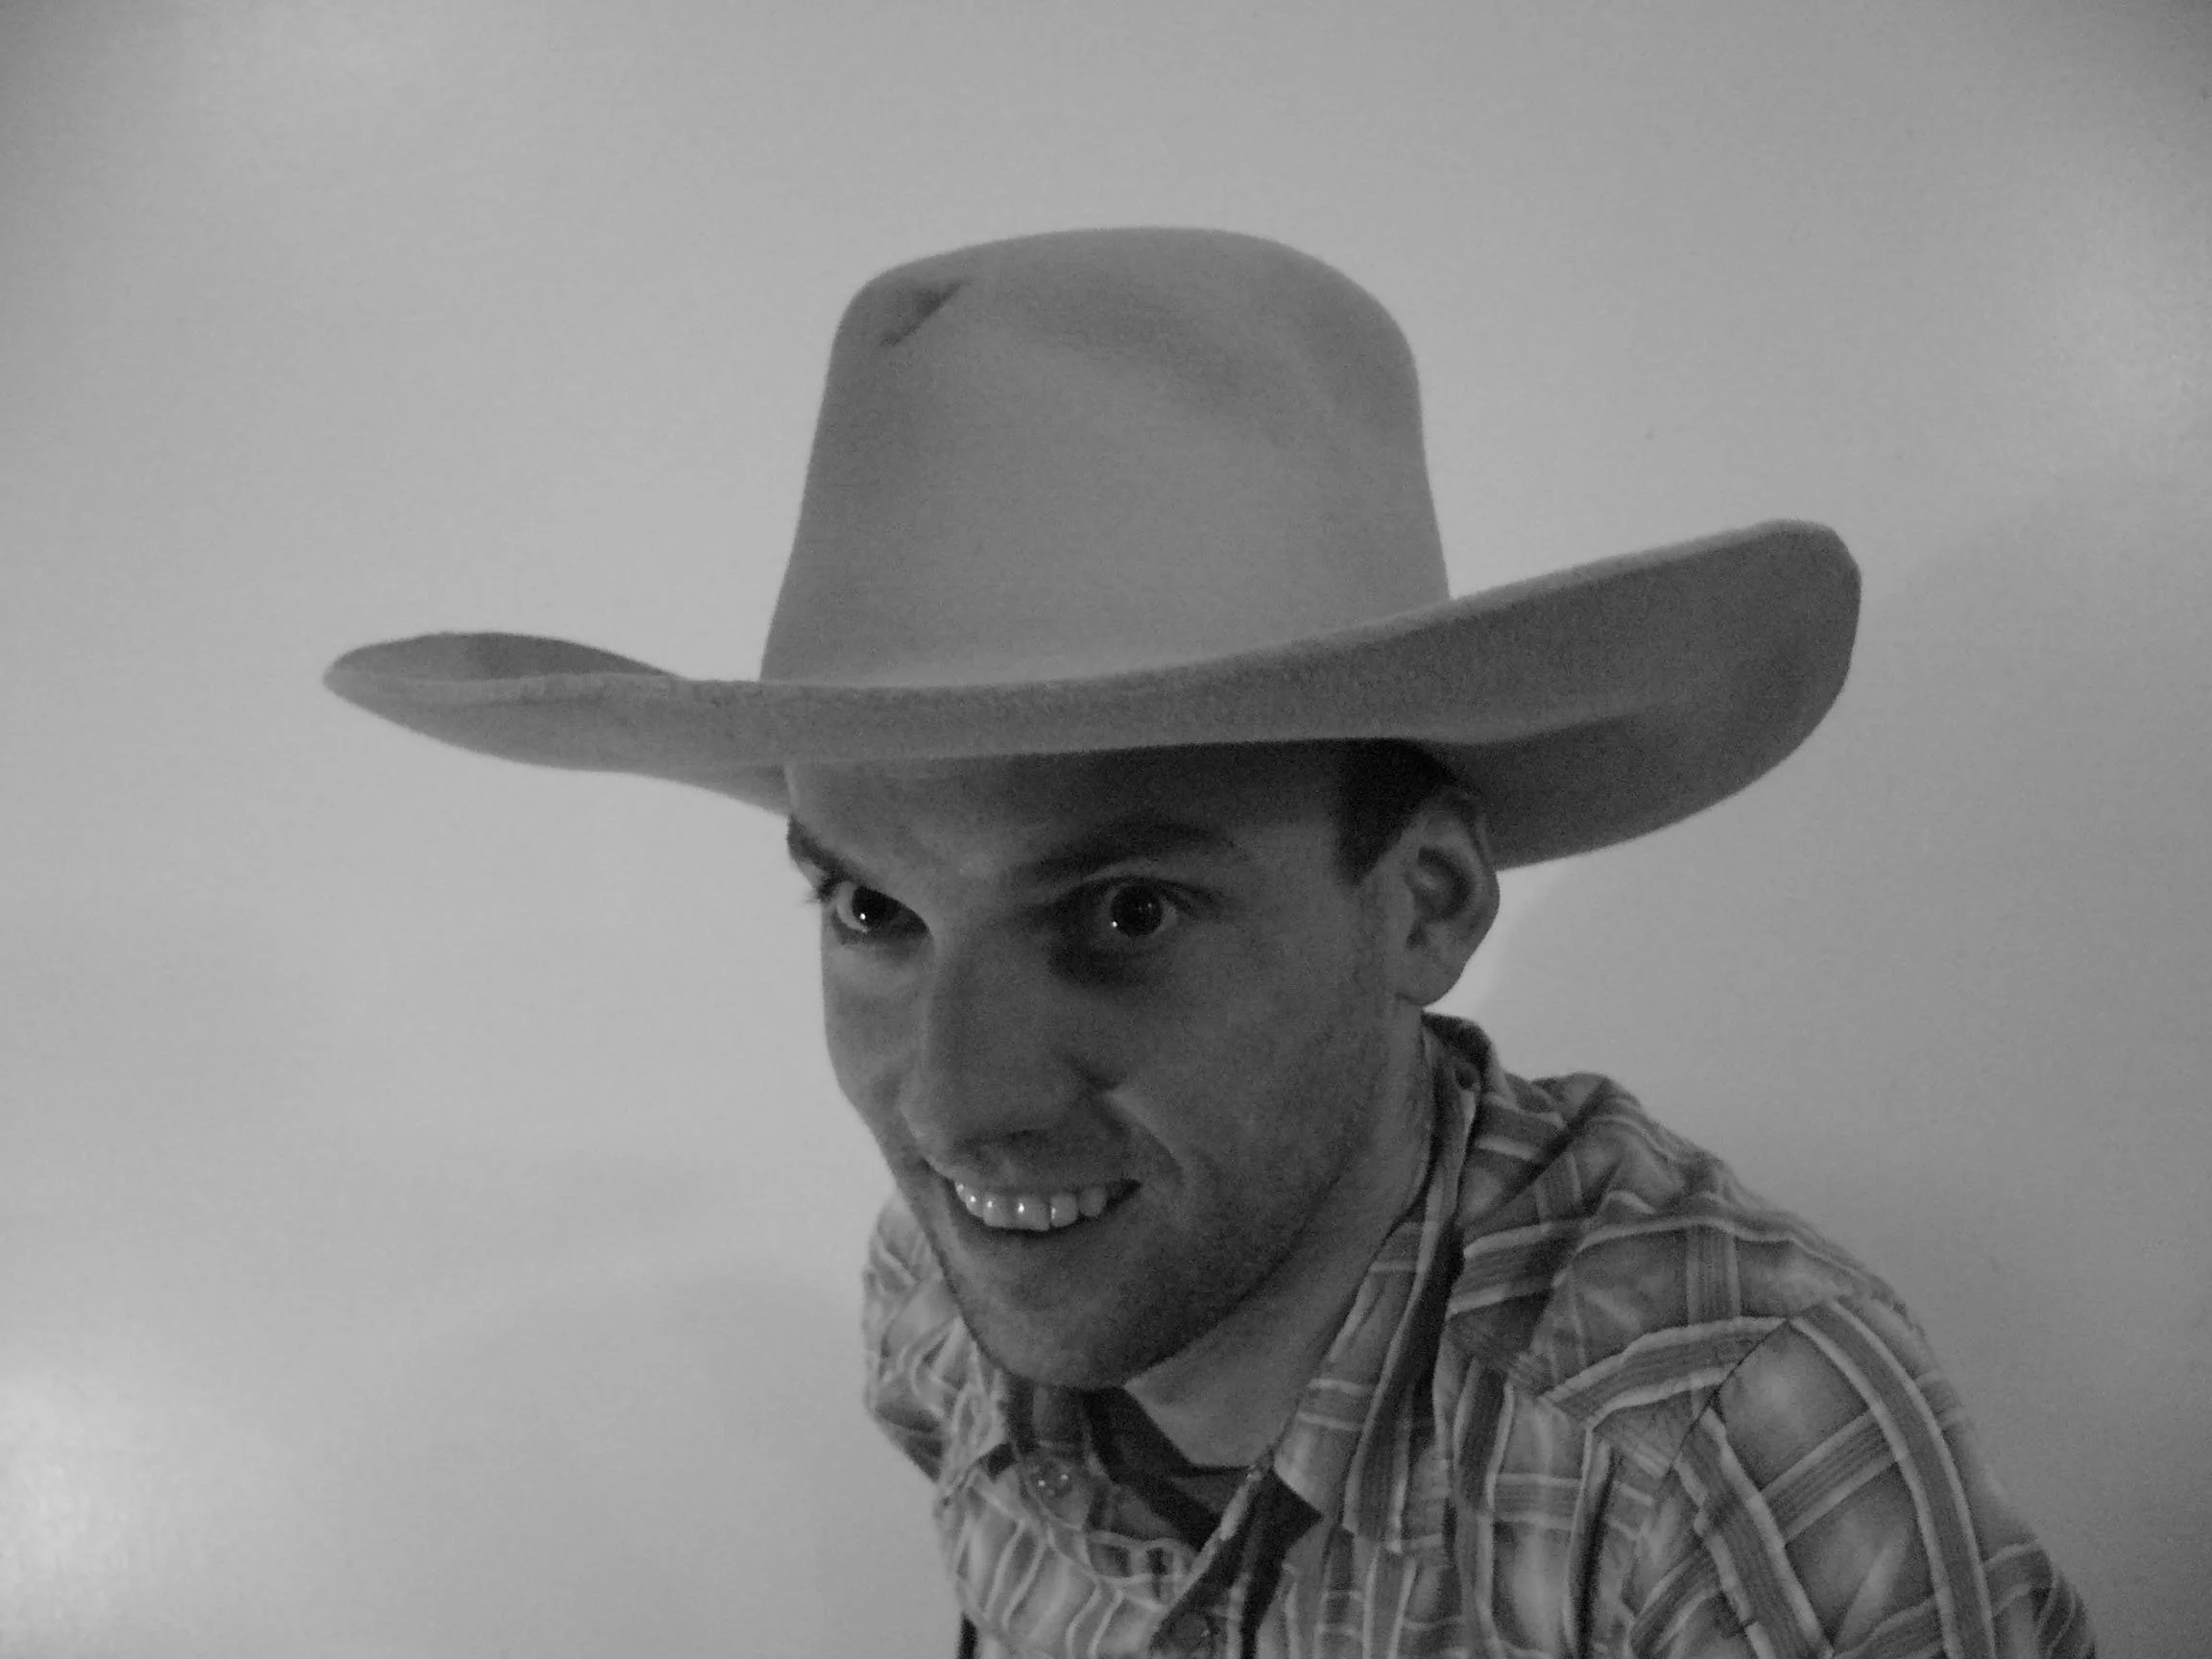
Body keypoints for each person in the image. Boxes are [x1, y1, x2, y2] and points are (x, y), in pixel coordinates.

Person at [325, 228, 2094, 1657]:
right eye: (871, 908)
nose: (954, 1107)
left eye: (1122, 912)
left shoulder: (1709, 1448)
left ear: (1426, 903)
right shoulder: (942, 1295)